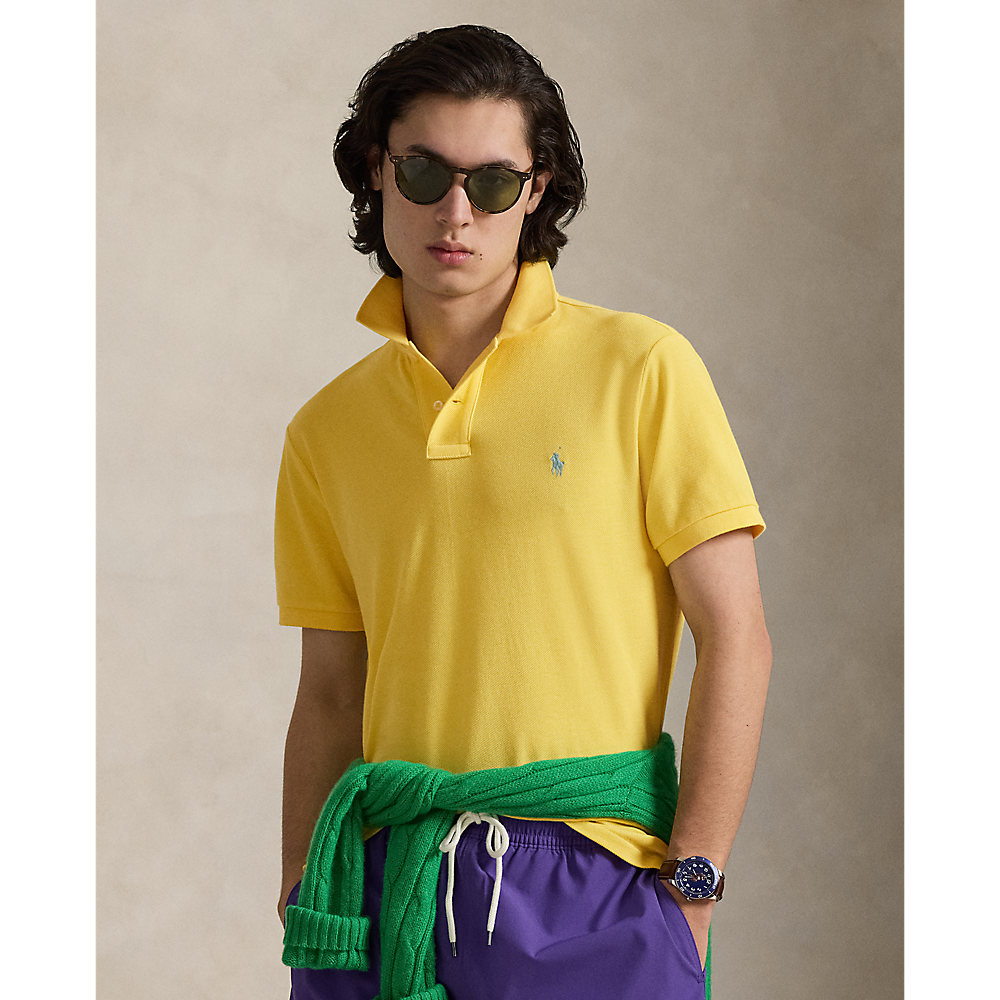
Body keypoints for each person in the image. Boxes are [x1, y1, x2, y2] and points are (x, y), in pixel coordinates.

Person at [274, 24, 771, 1000]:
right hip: (386, 879)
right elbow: (329, 692)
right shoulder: (325, 430)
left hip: (595, 879)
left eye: (493, 182)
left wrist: (695, 887)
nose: (455, 211)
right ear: (377, 170)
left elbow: (737, 634)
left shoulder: (642, 369)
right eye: (423, 171)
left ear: (536, 190)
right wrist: (301, 886)